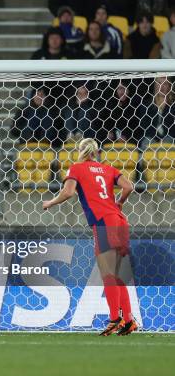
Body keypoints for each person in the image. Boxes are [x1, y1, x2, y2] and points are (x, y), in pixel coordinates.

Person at [42, 138, 137, 336]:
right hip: (119, 220)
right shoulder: (108, 169)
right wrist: (119, 203)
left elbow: (68, 192)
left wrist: (50, 202)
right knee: (118, 274)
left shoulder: (76, 168)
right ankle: (128, 321)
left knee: (108, 273)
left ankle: (114, 319)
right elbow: (128, 186)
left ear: (80, 151)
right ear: (96, 152)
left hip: (103, 222)